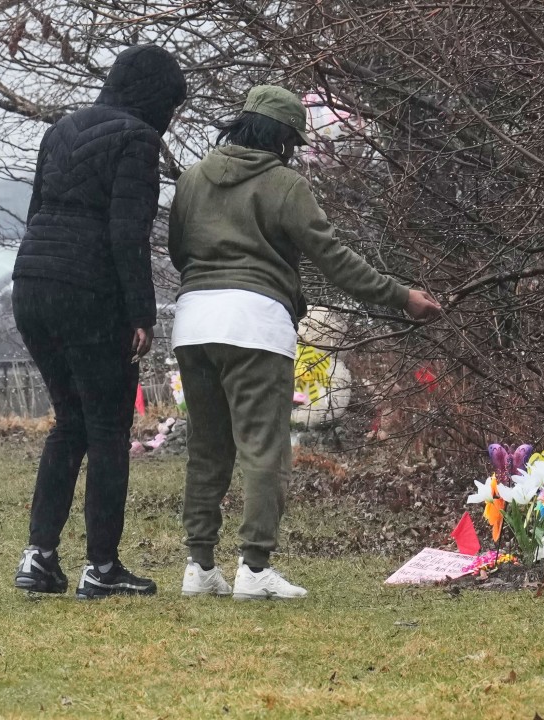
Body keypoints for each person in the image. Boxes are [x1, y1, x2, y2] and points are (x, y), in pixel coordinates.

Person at [168, 85, 442, 600]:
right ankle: (254, 568)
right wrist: (401, 296)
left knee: (207, 449)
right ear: (284, 139)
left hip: (194, 322)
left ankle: (199, 566)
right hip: (255, 325)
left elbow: (178, 249)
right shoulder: (285, 185)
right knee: (263, 449)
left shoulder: (191, 178)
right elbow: (333, 258)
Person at [11, 45, 186, 599]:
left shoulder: (61, 129)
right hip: (88, 292)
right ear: (157, 97)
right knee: (108, 428)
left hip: (32, 284)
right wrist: (141, 313)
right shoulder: (137, 139)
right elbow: (128, 232)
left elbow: (37, 212)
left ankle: (39, 557)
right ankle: (102, 567)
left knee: (70, 423)